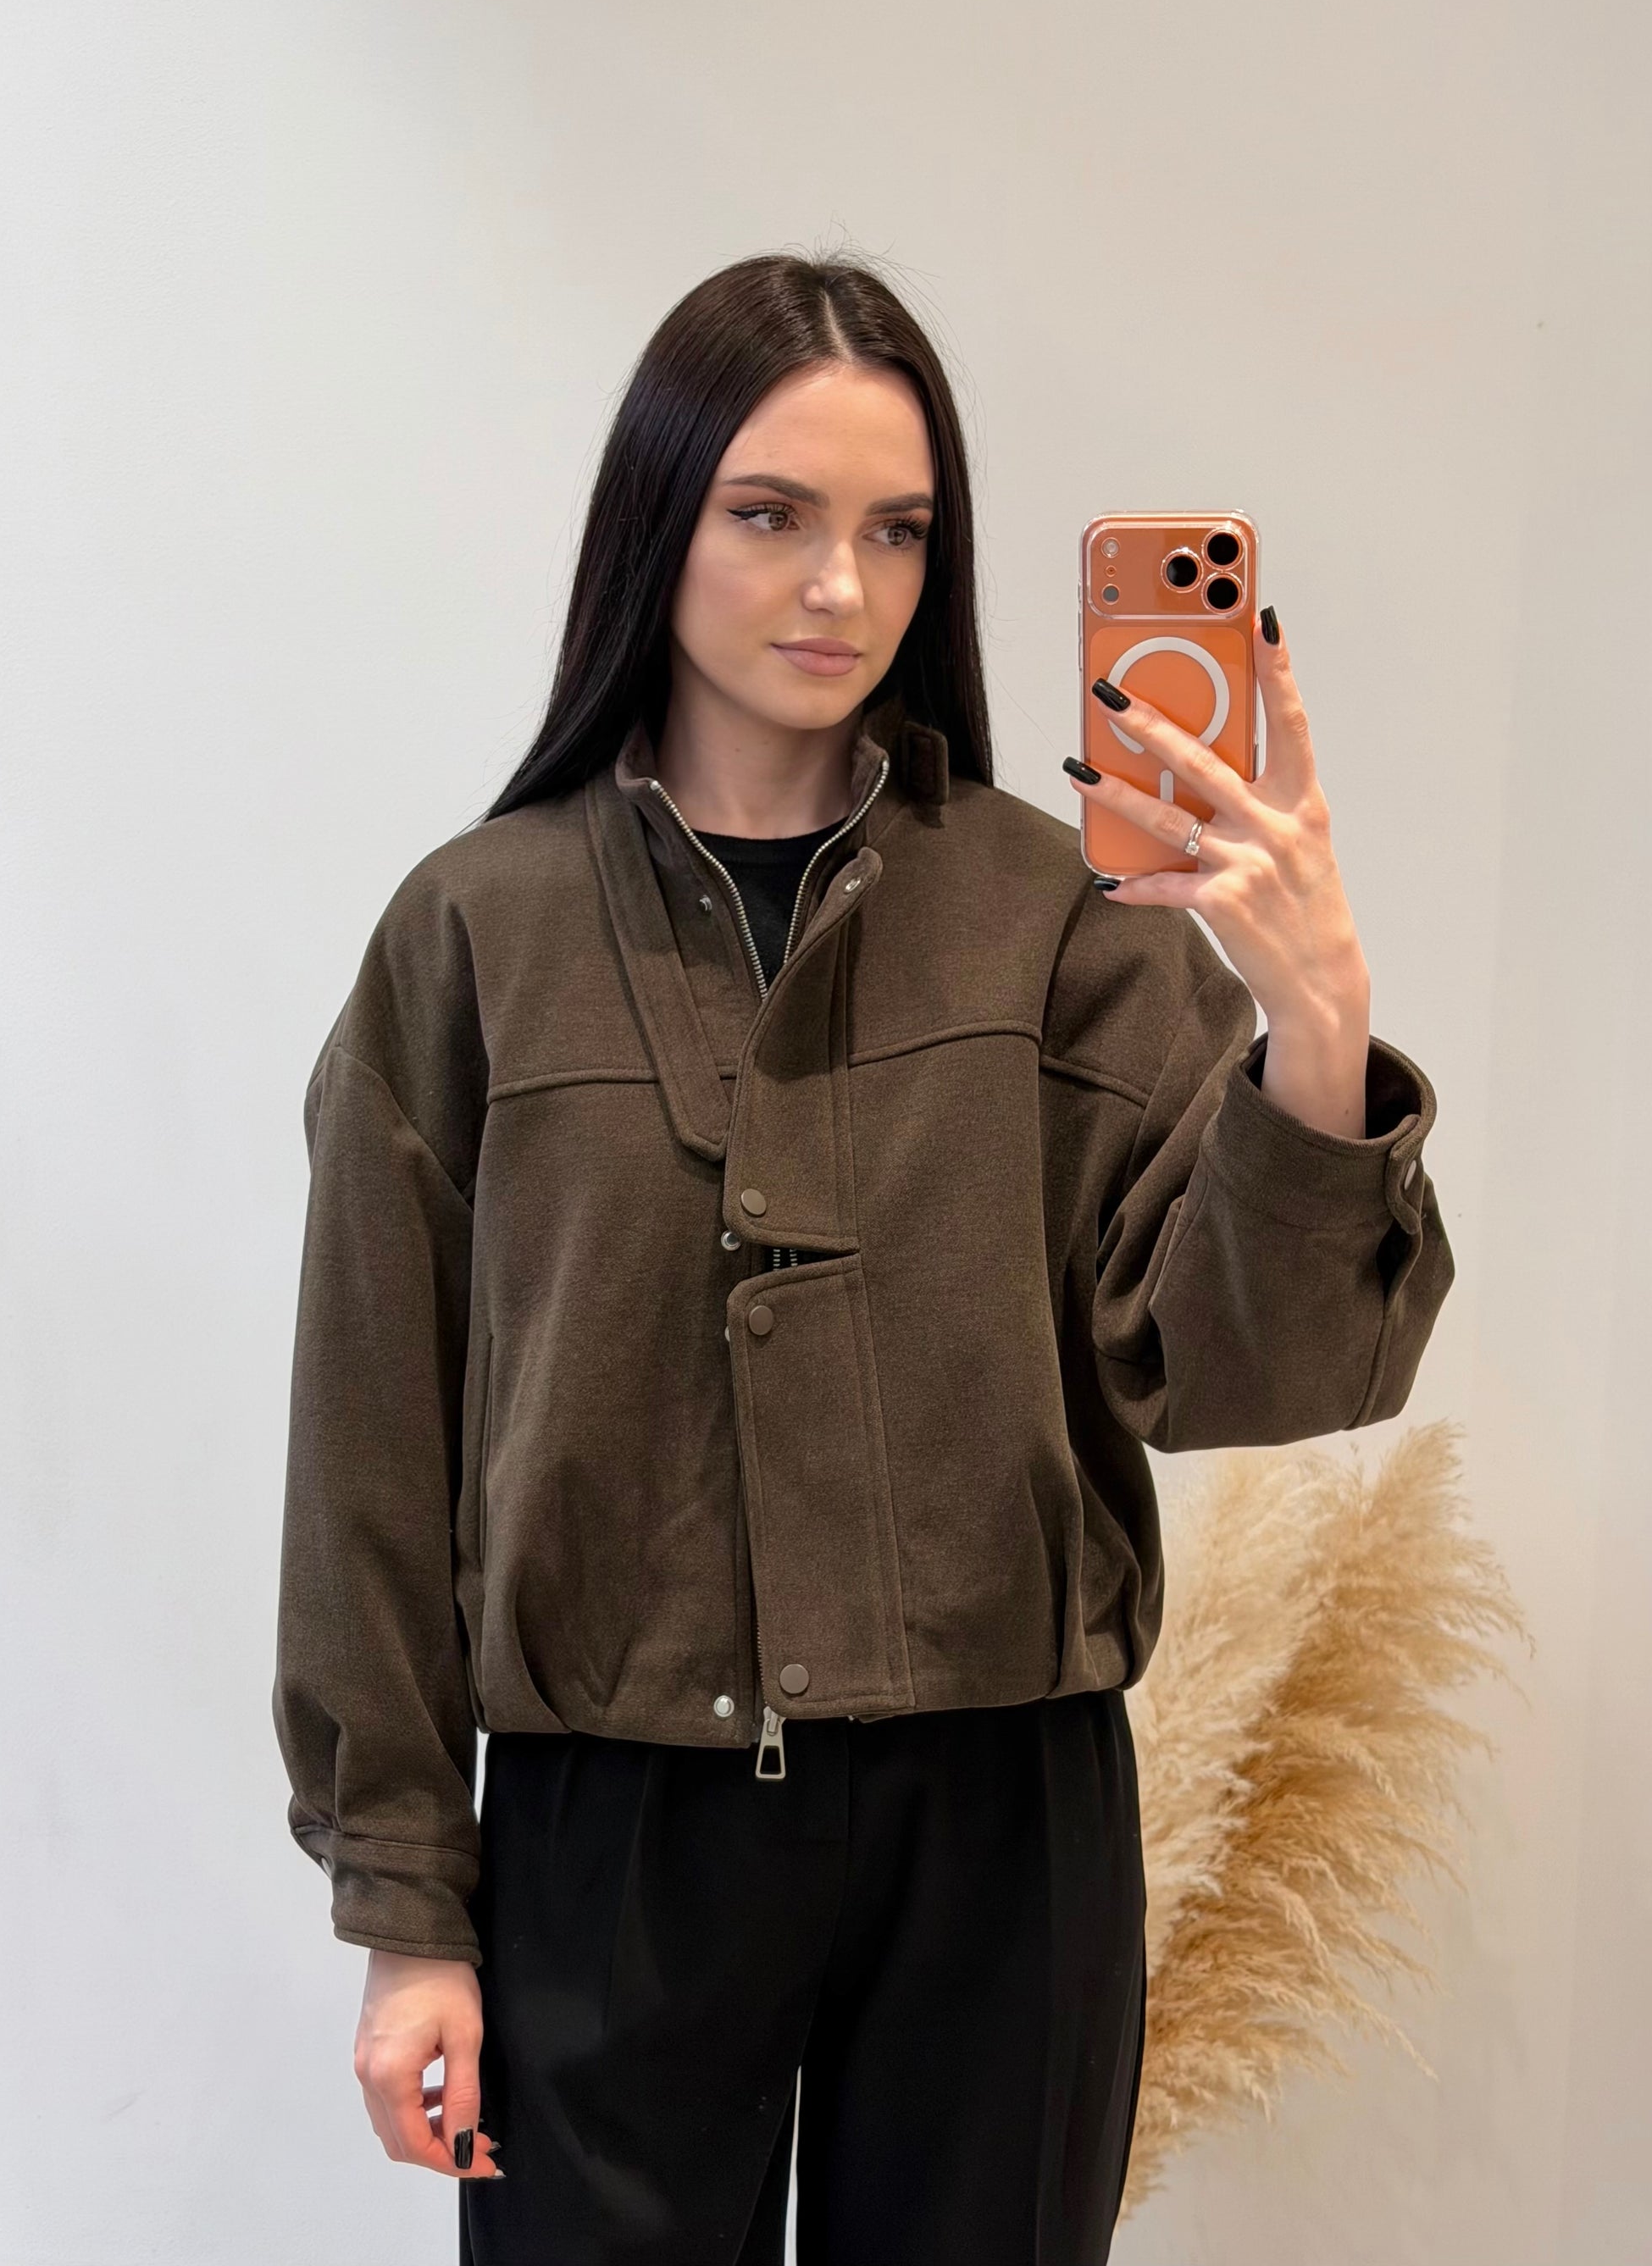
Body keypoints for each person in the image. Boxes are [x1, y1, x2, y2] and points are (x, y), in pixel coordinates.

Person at [271, 251, 1453, 2266]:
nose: (840, 584)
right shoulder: (473, 934)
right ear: (655, 522)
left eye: (897, 530)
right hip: (612, 1827)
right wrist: (406, 1907)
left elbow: (1249, 1375)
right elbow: (371, 1452)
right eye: (772, 515)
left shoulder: (1054, 922)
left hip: (1001, 1827)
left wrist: (1315, 1030)